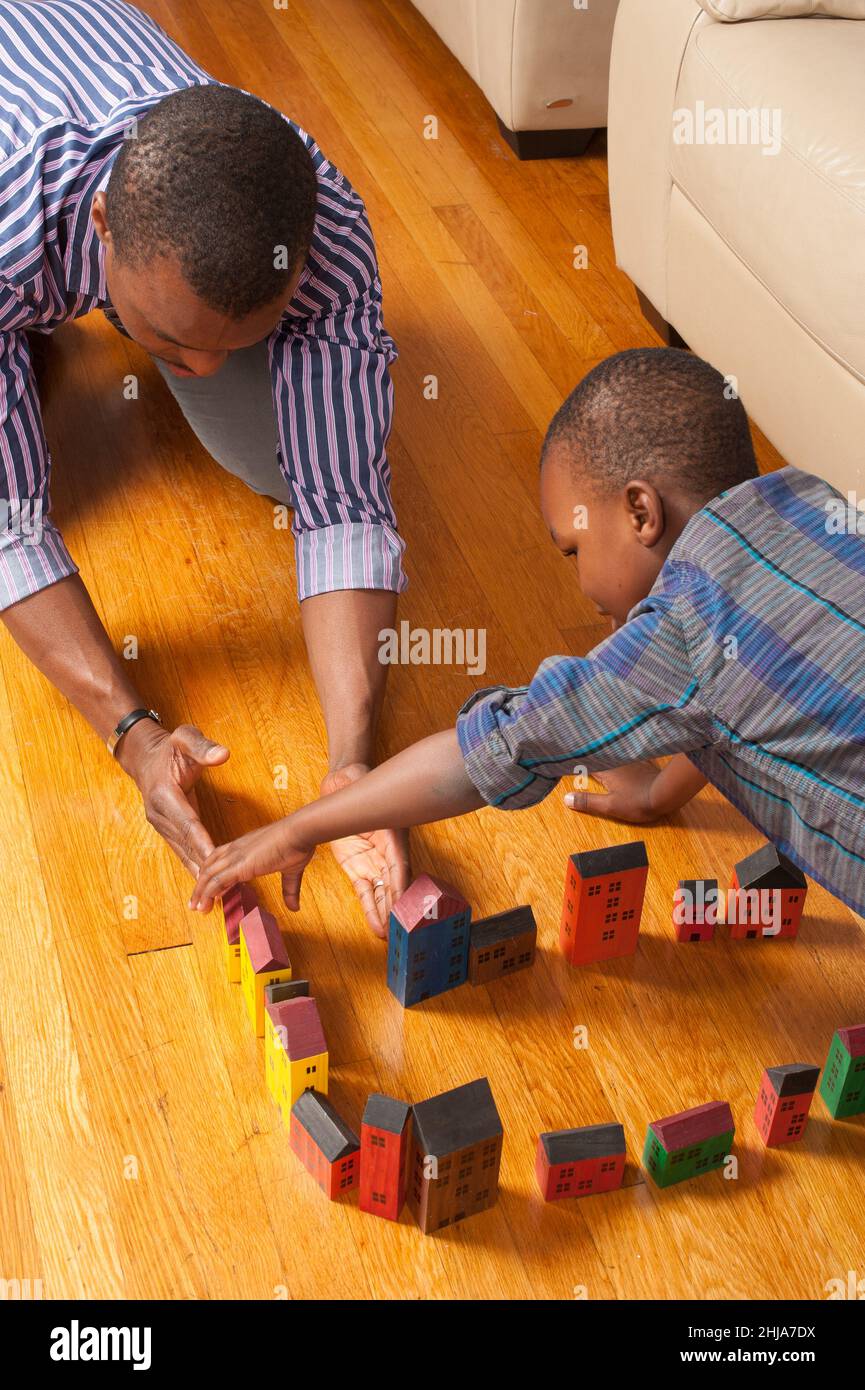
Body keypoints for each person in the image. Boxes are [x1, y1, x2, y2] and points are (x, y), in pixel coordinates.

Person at [190, 349, 865, 927]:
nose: (579, 584)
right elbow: (744, 688)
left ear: (639, 511)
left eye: (572, 550)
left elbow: (490, 748)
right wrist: (658, 794)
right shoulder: (807, 497)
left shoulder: (682, 631)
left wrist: (297, 827)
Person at [0, 0, 409, 931]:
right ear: (102, 222)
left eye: (241, 340)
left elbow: (344, 505)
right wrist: (134, 737)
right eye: (173, 341)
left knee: (278, 460)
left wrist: (353, 765)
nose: (208, 372)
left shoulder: (323, 227)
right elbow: (10, 530)